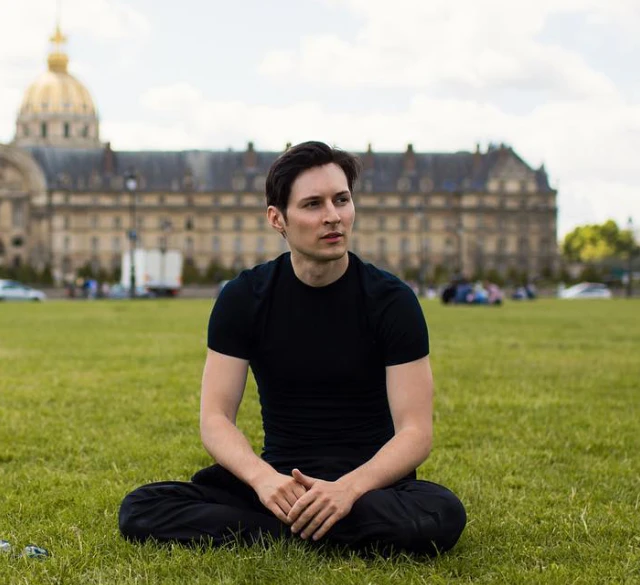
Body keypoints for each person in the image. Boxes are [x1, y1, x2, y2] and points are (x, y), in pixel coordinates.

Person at [118, 141, 466, 556]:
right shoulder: (244, 297)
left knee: (442, 512)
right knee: (140, 507)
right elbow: (215, 418)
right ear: (277, 218)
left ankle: (283, 530)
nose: (333, 216)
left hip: (371, 487)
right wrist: (263, 480)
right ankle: (309, 525)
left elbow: (415, 433)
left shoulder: (391, 300)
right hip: (281, 481)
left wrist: (347, 490)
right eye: (313, 204)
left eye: (341, 200)